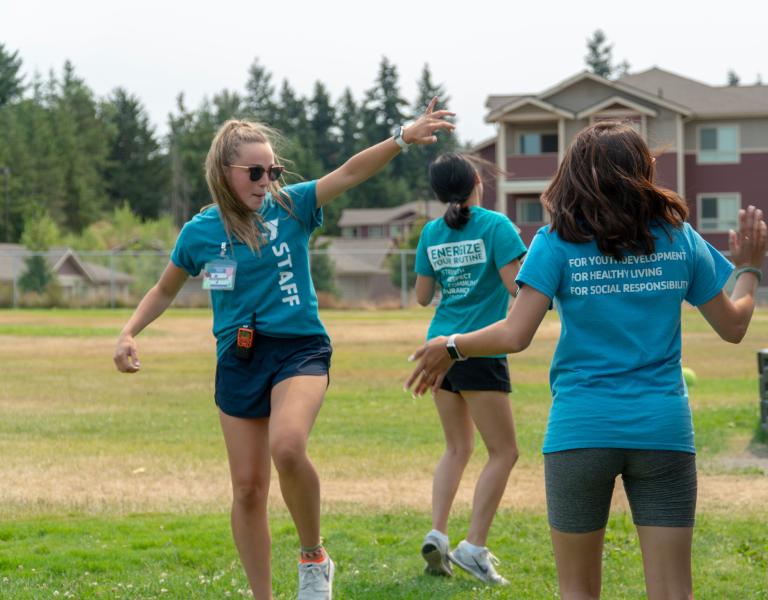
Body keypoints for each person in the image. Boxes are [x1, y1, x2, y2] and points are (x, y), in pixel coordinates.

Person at [405, 121, 767, 599]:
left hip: (580, 430)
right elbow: (734, 326)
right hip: (662, 430)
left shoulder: (556, 241)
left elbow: (515, 334)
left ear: (574, 174)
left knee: (577, 591)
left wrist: (451, 344)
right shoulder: (679, 237)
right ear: (643, 171)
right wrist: (749, 269)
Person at [113, 98, 454, 600]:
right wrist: (129, 331)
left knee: (288, 447)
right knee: (248, 489)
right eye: (254, 171)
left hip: (300, 349)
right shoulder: (200, 231)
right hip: (239, 357)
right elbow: (165, 288)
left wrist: (402, 137)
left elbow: (349, 171)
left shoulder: (292, 205)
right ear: (222, 172)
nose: (265, 180)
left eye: (271, 170)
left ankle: (314, 558)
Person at [413, 152, 526, 586]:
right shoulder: (497, 226)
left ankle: (437, 533)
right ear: (478, 180)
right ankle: (473, 548)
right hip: (476, 349)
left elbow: (424, 296)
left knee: (456, 448)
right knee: (504, 451)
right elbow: (516, 288)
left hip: (437, 347)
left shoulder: (430, 232)